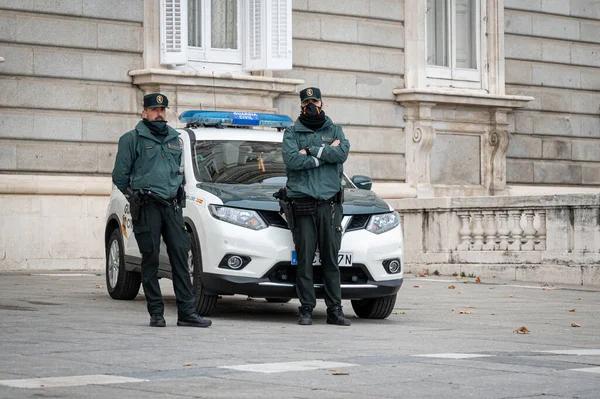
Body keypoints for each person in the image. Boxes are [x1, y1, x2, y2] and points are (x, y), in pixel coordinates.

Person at [112, 93, 211, 328]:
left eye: (163, 109)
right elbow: (119, 176)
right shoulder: (131, 139)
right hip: (147, 206)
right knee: (151, 258)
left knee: (180, 256)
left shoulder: (176, 138)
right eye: (154, 109)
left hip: (172, 206)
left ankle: (187, 313)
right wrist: (134, 195)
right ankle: (156, 312)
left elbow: (180, 170)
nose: (159, 113)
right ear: (144, 112)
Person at [282, 87, 351, 326]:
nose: (311, 105)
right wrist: (324, 154)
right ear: (301, 105)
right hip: (303, 203)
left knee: (331, 259)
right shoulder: (292, 132)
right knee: (305, 259)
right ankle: (307, 309)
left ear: (323, 102)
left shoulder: (335, 129)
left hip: (329, 205)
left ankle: (335, 310)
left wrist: (311, 151)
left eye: (315, 101)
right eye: (307, 102)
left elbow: (341, 153)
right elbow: (292, 160)